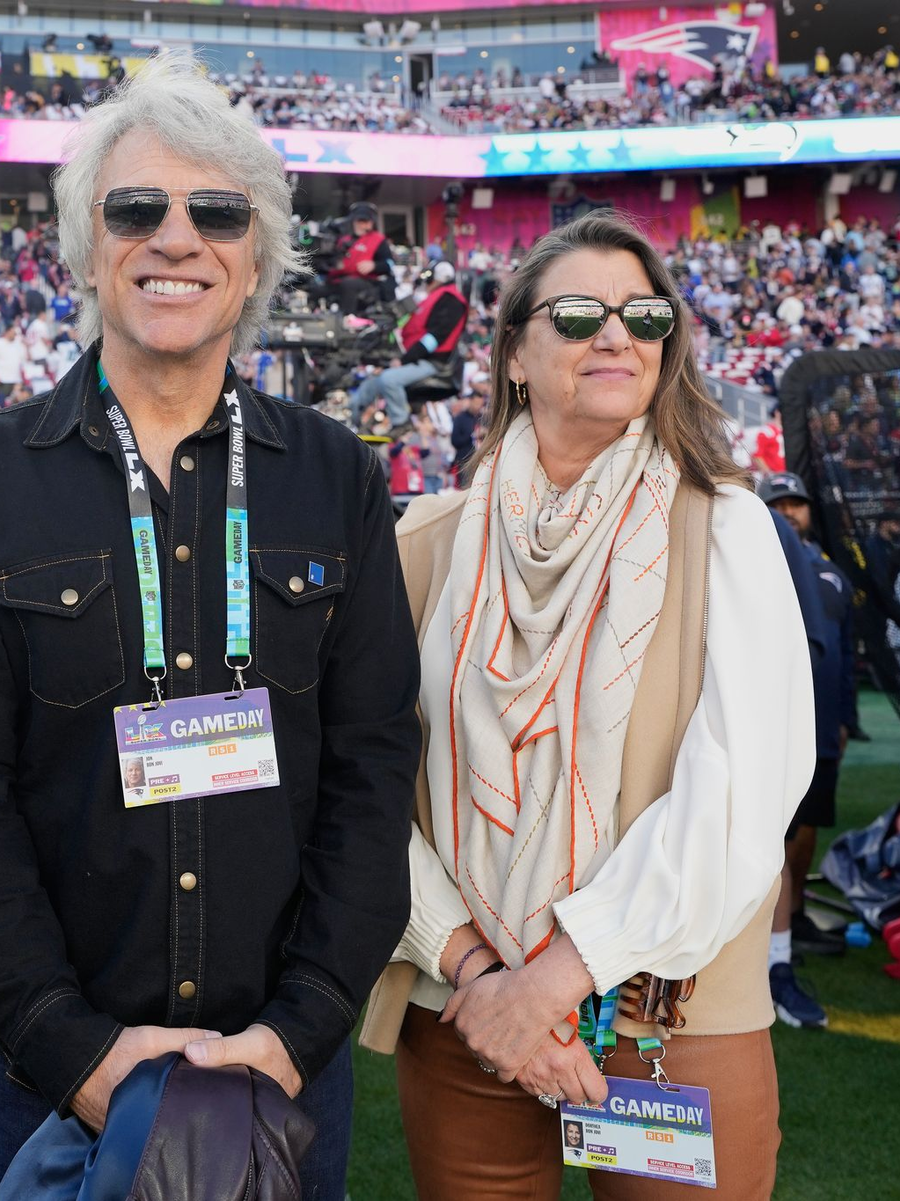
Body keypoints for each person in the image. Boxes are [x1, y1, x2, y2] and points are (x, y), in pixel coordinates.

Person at [0, 53, 420, 1201]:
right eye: (137, 208)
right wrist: (68, 1044)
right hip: (51, 1081)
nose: (176, 239)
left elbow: (377, 767)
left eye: (216, 213)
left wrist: (301, 1027)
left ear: (256, 257)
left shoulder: (336, 476)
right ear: (89, 244)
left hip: (278, 1072)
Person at [360, 213, 814, 1200]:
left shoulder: (726, 527)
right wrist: (480, 977)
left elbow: (740, 795)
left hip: (669, 1017)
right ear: (515, 353)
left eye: (643, 315)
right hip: (464, 1013)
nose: (616, 335)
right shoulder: (424, 542)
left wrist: (555, 978)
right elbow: (362, 792)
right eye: (578, 314)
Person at [759, 472, 857, 1026]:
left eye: (797, 503)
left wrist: (843, 719)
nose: (789, 513)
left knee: (790, 839)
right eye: (780, 504)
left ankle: (778, 956)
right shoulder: (750, 550)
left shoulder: (831, 577)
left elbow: (836, 653)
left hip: (812, 730)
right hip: (761, 729)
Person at [351, 261, 467, 434]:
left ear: (439, 278)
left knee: (389, 379)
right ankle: (352, 422)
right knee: (370, 384)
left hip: (433, 363)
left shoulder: (451, 301)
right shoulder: (435, 298)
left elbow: (433, 339)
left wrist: (403, 359)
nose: (426, 284)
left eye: (429, 279)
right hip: (417, 359)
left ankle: (401, 422)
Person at [326, 202, 394, 315]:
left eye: (366, 221)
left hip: (368, 283)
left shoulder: (378, 240)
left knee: (349, 284)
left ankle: (348, 320)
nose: (362, 225)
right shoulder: (342, 238)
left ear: (372, 222)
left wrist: (374, 266)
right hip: (337, 279)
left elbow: (390, 264)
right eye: (359, 221)